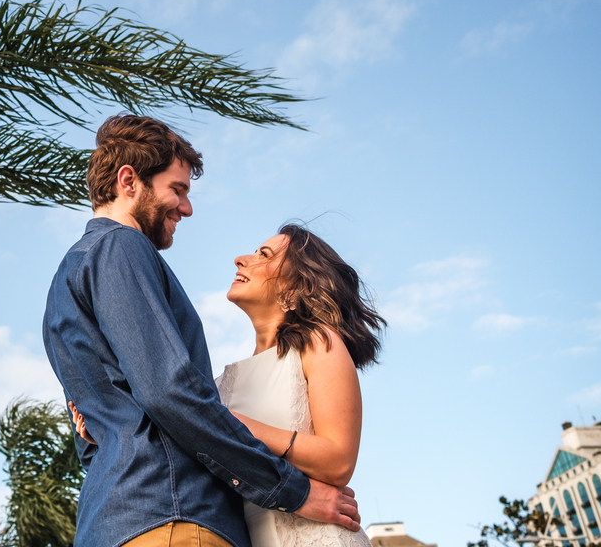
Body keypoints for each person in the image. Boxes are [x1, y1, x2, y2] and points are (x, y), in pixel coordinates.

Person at [43, 114, 361, 547]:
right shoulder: (122, 246)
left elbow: (92, 443)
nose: (186, 207)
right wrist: (295, 491)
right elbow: (170, 393)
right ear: (128, 180)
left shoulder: (62, 287)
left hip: (112, 522)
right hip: (174, 518)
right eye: (177, 189)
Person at [77, 224, 385, 547]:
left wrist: (228, 424)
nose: (241, 260)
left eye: (263, 255)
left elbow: (338, 461)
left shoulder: (319, 343)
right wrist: (107, 425)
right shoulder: (220, 384)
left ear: (295, 289)